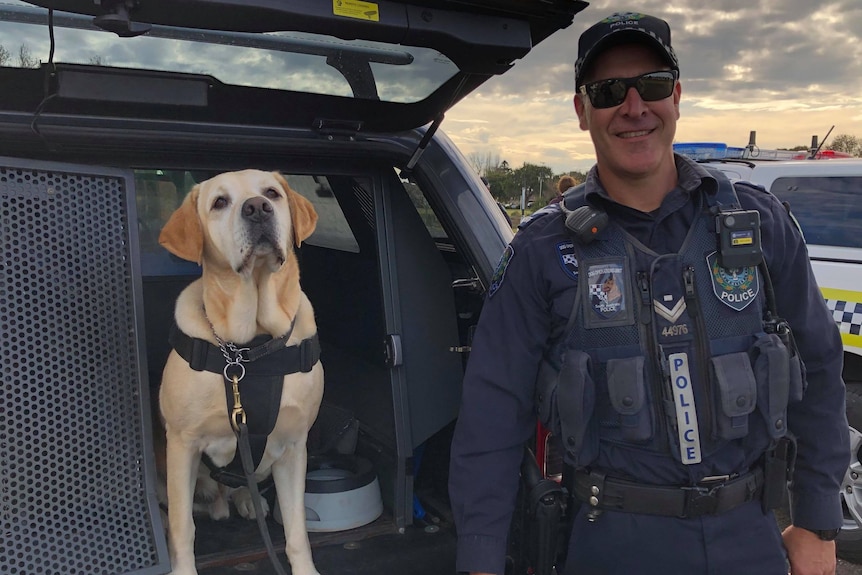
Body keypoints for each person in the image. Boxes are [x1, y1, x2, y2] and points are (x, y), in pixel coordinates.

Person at [449, 11, 848, 575]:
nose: (634, 107)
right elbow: (493, 412)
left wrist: (816, 521)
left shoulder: (758, 224)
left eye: (653, 85)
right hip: (610, 542)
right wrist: (481, 559)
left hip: (748, 536)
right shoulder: (542, 250)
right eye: (609, 90)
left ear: (677, 96)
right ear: (582, 111)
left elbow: (821, 367)